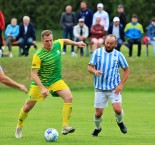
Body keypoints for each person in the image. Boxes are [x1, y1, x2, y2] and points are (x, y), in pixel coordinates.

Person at [15, 30, 86, 139]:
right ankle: (19, 126)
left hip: (56, 80)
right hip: (40, 82)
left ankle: (65, 126)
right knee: (27, 107)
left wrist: (76, 43)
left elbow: (64, 40)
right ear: (42, 41)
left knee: (69, 97)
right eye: (47, 41)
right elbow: (33, 74)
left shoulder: (57, 44)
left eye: (51, 40)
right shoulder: (38, 55)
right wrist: (42, 88)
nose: (50, 43)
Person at [88, 34, 129, 137]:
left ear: (115, 44)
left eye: (111, 43)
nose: (108, 45)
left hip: (114, 88)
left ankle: (120, 122)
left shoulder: (118, 55)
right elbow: (89, 67)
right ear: (104, 42)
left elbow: (126, 70)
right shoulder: (97, 53)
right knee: (98, 114)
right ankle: (97, 128)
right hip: (100, 88)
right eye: (107, 43)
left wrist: (121, 85)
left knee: (118, 110)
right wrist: (95, 71)